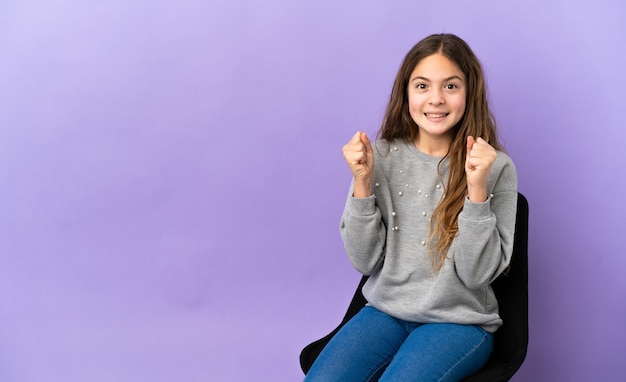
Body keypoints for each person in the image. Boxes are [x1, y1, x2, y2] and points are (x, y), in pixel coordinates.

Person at [304, 33, 518, 381]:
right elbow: (365, 260)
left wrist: (476, 190)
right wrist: (361, 183)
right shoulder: (382, 158)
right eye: (422, 86)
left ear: (469, 93)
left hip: (459, 321)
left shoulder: (496, 167)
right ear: (406, 93)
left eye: (450, 86)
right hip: (385, 312)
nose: (435, 99)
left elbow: (477, 275)